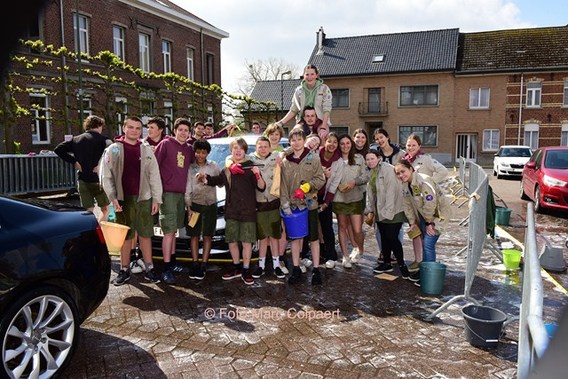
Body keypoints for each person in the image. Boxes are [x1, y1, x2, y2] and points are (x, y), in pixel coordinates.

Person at [99, 116, 162, 285]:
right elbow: (106, 175)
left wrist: (157, 198)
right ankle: (124, 269)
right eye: (131, 127)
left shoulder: (146, 149)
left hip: (144, 199)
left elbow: (154, 174)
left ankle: (149, 268)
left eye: (137, 128)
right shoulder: (113, 149)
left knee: (145, 234)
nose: (134, 130)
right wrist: (112, 198)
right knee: (125, 236)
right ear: (124, 128)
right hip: (123, 199)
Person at [197, 137, 265, 285]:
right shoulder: (227, 169)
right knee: (232, 241)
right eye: (235, 148)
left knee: (247, 242)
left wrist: (258, 174)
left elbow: (261, 187)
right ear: (231, 151)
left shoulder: (251, 167)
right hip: (232, 211)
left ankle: (246, 269)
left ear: (245, 151)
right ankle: (236, 267)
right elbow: (217, 181)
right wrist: (205, 178)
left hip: (248, 212)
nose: (238, 151)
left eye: (240, 148)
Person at [395, 159, 452, 287]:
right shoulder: (405, 185)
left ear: (410, 169)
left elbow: (430, 204)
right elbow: (407, 205)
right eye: (398, 173)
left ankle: (429, 276)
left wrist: (429, 223)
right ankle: (424, 272)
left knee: (427, 244)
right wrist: (412, 222)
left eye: (403, 171)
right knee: (425, 243)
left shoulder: (423, 181)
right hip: (424, 217)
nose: (400, 175)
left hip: (438, 216)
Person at [281, 127, 326, 285]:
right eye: (293, 140)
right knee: (295, 238)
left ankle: (316, 269)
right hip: (293, 207)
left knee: (313, 238)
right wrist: (285, 203)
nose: (296, 142)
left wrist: (306, 188)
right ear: (290, 142)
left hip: (310, 204)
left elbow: (321, 179)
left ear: (304, 140)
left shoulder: (313, 158)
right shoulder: (285, 162)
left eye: (299, 139)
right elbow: (283, 185)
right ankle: (295, 268)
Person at [154, 117, 195, 284]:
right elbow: (153, 167)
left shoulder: (189, 149)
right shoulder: (165, 144)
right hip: (168, 193)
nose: (183, 133)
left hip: (181, 194)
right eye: (181, 130)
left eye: (186, 130)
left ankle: (172, 262)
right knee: (169, 231)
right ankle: (165, 268)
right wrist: (156, 194)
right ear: (175, 131)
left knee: (175, 230)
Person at [402, 133, 449, 270]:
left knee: (428, 241)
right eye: (408, 145)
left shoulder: (425, 159)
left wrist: (430, 183)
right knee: (420, 237)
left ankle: (429, 271)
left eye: (414, 145)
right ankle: (422, 264)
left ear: (419, 146)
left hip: (430, 206)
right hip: (417, 207)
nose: (411, 148)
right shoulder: (406, 161)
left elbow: (443, 171)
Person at [323, 134, 369, 268]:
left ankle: (359, 249)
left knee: (357, 230)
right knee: (342, 227)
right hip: (339, 198)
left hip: (355, 198)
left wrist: (354, 182)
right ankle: (345, 256)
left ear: (351, 144)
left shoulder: (358, 158)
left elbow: (365, 176)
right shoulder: (334, 160)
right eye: (342, 143)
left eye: (347, 143)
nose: (345, 146)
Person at [54, 115, 111, 222]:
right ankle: (101, 230)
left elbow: (58, 149)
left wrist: (74, 161)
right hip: (98, 180)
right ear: (99, 126)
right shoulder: (105, 140)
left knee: (88, 210)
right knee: (105, 209)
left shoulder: (76, 139)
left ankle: (90, 230)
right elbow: (112, 155)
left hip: (82, 179)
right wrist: (100, 164)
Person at [365, 150, 409, 279]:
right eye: (367, 159)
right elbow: (372, 194)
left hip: (393, 210)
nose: (370, 161)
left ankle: (402, 266)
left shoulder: (388, 170)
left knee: (392, 238)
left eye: (372, 158)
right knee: (384, 237)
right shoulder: (372, 172)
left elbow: (391, 192)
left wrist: (387, 212)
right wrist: (370, 210)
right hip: (380, 211)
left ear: (379, 158)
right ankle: (387, 263)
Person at [185, 139, 221, 280]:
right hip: (195, 205)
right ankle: (195, 262)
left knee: (207, 235)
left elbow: (221, 182)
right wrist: (188, 208)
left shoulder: (214, 166)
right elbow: (187, 189)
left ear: (207, 153)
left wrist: (208, 178)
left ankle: (204, 263)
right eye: (198, 152)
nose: (200, 155)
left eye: (203, 152)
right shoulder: (190, 167)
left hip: (210, 205)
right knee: (194, 235)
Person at [250, 136, 285, 279]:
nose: (263, 149)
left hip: (274, 202)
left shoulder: (276, 156)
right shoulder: (251, 159)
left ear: (270, 148)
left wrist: (282, 155)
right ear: (256, 147)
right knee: (262, 236)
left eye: (266, 146)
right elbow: (233, 156)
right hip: (260, 204)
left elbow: (287, 151)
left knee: (274, 235)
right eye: (260, 146)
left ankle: (276, 265)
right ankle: (261, 265)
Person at [318, 132, 341, 268]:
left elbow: (334, 185)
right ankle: (310, 253)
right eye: (329, 141)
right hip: (311, 194)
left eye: (335, 142)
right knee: (312, 226)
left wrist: (326, 203)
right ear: (324, 142)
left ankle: (331, 254)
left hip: (327, 195)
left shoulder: (338, 161)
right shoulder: (315, 155)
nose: (332, 144)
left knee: (327, 226)